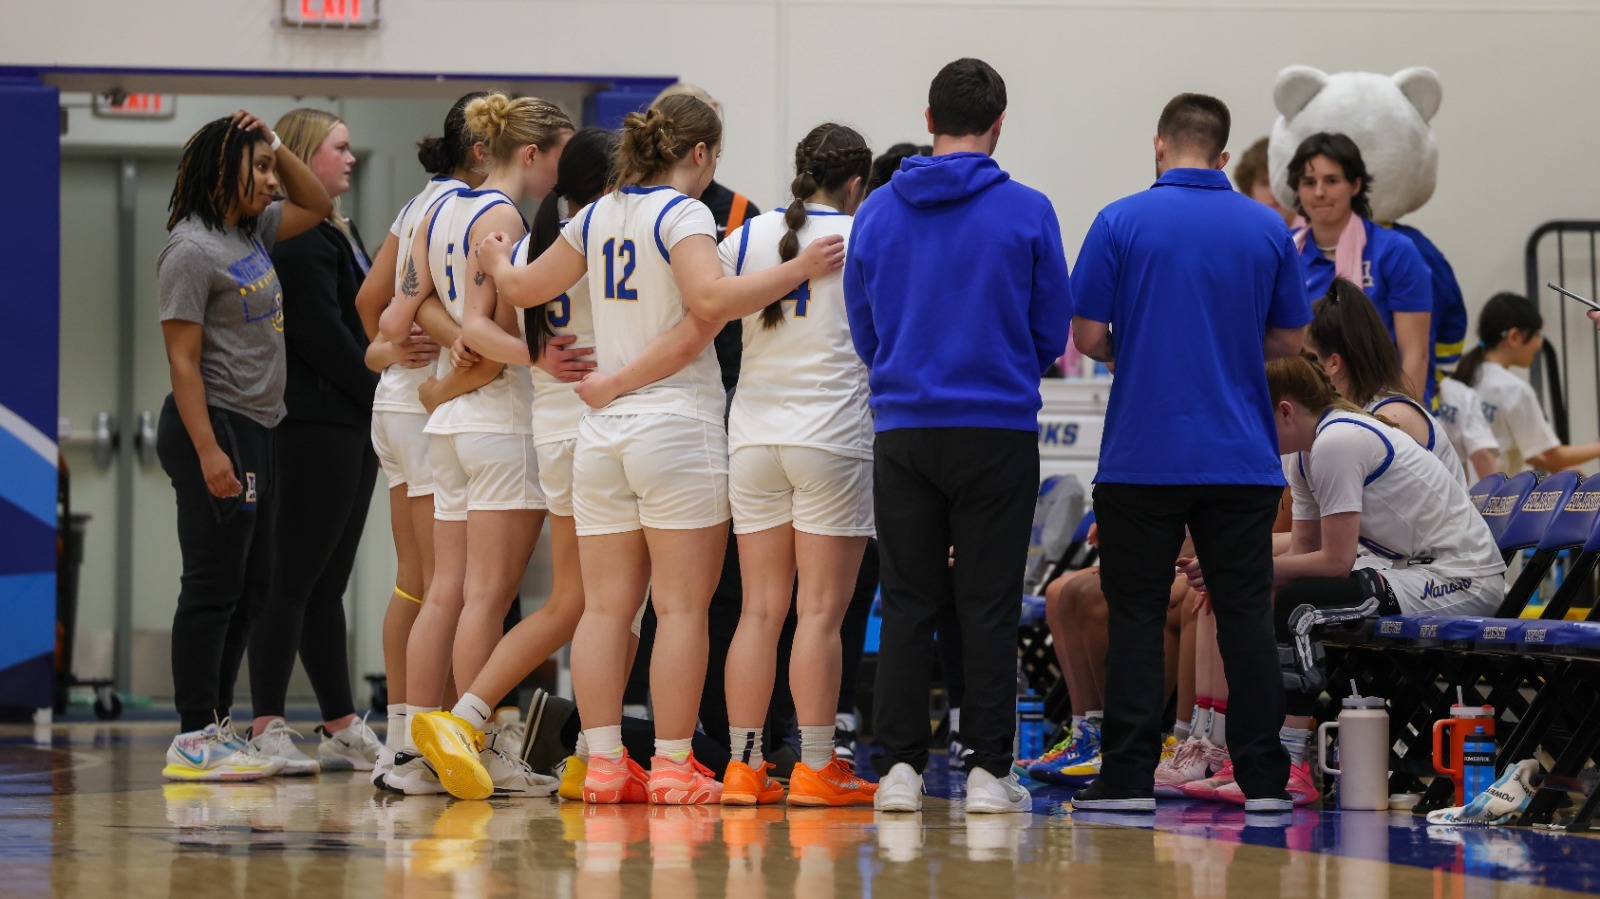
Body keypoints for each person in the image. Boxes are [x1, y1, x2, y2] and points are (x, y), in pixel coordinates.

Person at [479, 93, 843, 804]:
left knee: (604, 610)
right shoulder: (684, 213)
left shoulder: (594, 212)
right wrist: (797, 270)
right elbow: (711, 303)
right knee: (679, 609)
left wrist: (496, 257)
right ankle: (675, 766)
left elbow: (522, 286)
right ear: (700, 154)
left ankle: (607, 764)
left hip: (600, 437)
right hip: (673, 427)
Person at [1068, 92, 1308, 813]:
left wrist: (1132, 349)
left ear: (1159, 146)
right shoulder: (1267, 228)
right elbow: (1291, 341)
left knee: (1136, 615)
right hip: (1239, 456)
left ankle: (1128, 779)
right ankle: (1265, 780)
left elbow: (1084, 337)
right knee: (1243, 619)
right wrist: (1231, 347)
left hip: (1143, 454)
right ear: (1226, 156)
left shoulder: (1119, 220)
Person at [845, 58, 1072, 815]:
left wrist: (904, 371)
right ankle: (986, 769)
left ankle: (901, 768)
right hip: (997, 425)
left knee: (905, 597)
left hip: (905, 425)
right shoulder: (1030, 209)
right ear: (998, 125)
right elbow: (1049, 329)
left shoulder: (876, 210)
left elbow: (864, 324)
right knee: (987, 600)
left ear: (929, 115)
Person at [1178, 353, 1506, 805]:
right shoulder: (1304, 455)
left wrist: (1234, 570)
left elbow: (1333, 562)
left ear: (1286, 410)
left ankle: (1293, 762)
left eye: (1256, 420)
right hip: (1413, 571)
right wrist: (1229, 567)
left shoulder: (1339, 442)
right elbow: (1301, 551)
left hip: (1463, 578)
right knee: (1268, 594)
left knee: (1298, 607)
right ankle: (1252, 749)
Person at [407, 128, 619, 801]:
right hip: (572, 424)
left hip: (521, 424)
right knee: (600, 606)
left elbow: (442, 320)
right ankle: (507, 735)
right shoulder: (605, 236)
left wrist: (500, 273)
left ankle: (442, 733)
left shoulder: (512, 235)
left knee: (537, 600)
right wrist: (535, 352)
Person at [379, 92, 573, 797]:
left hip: (450, 424)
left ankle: (415, 747)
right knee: (485, 597)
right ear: (531, 154)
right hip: (495, 419)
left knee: (447, 594)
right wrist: (536, 356)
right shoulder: (504, 218)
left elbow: (405, 312)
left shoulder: (436, 209)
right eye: (558, 155)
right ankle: (469, 748)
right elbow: (489, 334)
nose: (561, 170)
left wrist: (442, 377)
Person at [156, 110, 331, 780]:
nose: (268, 180)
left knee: (253, 586)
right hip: (215, 425)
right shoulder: (192, 249)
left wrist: (280, 148)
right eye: (256, 167)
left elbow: (316, 201)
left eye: (269, 167)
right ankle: (192, 734)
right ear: (219, 168)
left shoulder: (248, 230)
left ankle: (218, 728)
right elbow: (182, 362)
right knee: (212, 584)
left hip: (258, 426)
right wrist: (208, 451)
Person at [716, 123, 877, 807]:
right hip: (831, 436)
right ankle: (815, 766)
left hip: (752, 437)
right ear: (857, 183)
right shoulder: (868, 235)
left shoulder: (745, 234)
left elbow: (695, 302)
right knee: (818, 614)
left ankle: (743, 765)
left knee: (759, 611)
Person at [242, 108, 384, 775]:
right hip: (313, 425)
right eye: (340, 147)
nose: (351, 158)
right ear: (306, 155)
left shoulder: (338, 231)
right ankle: (267, 719)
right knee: (289, 580)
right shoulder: (298, 238)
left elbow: (357, 325)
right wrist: (382, 393)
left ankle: (339, 721)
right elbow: (324, 337)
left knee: (328, 584)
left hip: (348, 424)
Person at [353, 93, 486, 787]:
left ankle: (401, 734)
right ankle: (429, 744)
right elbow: (420, 312)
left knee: (416, 582)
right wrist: (421, 336)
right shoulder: (467, 208)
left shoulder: (417, 203)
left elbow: (367, 303)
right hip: (431, 407)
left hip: (393, 409)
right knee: (448, 589)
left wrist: (386, 341)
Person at [1287, 132, 1433, 403]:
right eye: (1308, 182)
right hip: (1307, 408)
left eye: (1331, 181)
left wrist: (1394, 425)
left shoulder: (1395, 251)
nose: (1319, 192)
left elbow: (1416, 355)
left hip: (1384, 407)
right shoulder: (1285, 254)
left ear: (1355, 185)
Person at [1304, 279, 1465, 486]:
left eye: (1307, 357)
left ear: (1334, 363)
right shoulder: (1354, 413)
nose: (1300, 366)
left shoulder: (1390, 416)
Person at [1453, 292, 1600, 473]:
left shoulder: (1467, 374)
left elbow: (1529, 449)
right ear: (1514, 337)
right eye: (1537, 334)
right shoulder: (1513, 389)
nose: (1539, 344)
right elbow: (1554, 454)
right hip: (1494, 494)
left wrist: (1561, 468)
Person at [1231, 137, 1296, 228]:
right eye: (1265, 184)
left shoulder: (1317, 234)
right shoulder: (1237, 232)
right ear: (1249, 190)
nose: (1273, 193)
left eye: (1279, 182)